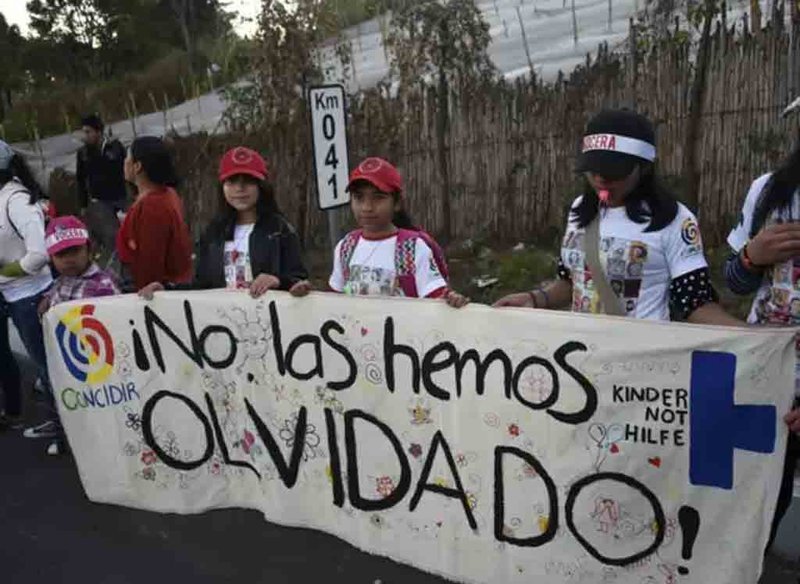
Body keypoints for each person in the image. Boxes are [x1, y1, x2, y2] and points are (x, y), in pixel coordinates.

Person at [494, 108, 738, 326]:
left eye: (613, 172)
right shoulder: (580, 210)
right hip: (580, 355)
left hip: (636, 363)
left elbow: (694, 302)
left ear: (643, 168)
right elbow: (572, 281)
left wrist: (758, 338)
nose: (600, 180)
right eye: (594, 170)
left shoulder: (674, 220)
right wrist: (535, 299)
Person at [724, 137, 800, 551]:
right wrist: (752, 256)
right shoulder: (770, 192)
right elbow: (735, 282)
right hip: (770, 376)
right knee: (761, 504)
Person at [139, 147, 309, 298]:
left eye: (248, 181)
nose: (239, 188)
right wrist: (166, 289)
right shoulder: (214, 233)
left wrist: (278, 280)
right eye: (232, 181)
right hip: (222, 327)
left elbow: (299, 279)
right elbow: (201, 285)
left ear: (261, 186)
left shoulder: (280, 230)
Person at [326, 157, 468, 307]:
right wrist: (304, 296)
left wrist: (451, 300)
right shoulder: (346, 247)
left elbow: (436, 297)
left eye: (378, 198)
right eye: (359, 197)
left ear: (397, 203)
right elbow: (333, 300)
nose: (367, 207)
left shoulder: (412, 248)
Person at [33, 215, 120, 455]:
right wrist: (45, 302)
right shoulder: (61, 283)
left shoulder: (102, 284)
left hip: (96, 364)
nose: (69, 260)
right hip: (66, 360)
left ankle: (103, 447)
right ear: (51, 258)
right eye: (61, 255)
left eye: (74, 251)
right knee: (67, 404)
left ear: (88, 249)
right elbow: (52, 300)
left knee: (98, 408)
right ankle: (69, 439)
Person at [0, 141, 53, 433]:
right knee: (43, 364)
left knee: (47, 366)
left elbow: (39, 254)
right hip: (15, 294)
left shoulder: (17, 201)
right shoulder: (3, 198)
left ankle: (64, 427)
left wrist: (4, 272)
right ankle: (58, 423)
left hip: (31, 296)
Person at [116, 136, 192, 291]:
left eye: (127, 158)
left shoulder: (152, 206)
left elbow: (150, 263)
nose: (124, 162)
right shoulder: (166, 194)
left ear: (137, 166)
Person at [76, 114, 127, 256]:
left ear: (98, 132)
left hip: (119, 197)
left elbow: (124, 170)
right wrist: (83, 204)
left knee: (126, 233)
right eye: (83, 132)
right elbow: (81, 179)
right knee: (111, 236)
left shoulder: (115, 147)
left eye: (88, 132)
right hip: (99, 201)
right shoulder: (83, 153)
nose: (85, 136)